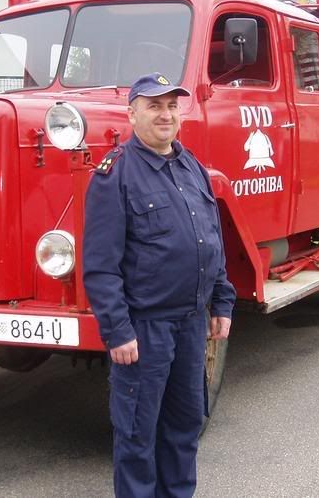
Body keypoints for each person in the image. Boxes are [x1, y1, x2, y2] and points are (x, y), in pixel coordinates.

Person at [83, 72, 236, 498]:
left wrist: (222, 302)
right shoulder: (115, 174)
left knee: (184, 427)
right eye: (154, 105)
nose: (165, 114)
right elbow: (99, 265)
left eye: (172, 105)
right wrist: (117, 330)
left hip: (190, 324)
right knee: (136, 436)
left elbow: (211, 241)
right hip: (144, 330)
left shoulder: (193, 168)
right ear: (132, 113)